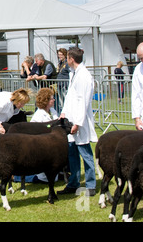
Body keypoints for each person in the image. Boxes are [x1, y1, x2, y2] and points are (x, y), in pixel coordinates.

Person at [57, 47, 97, 197]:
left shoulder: (84, 76)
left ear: (71, 59)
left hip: (79, 121)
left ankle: (91, 185)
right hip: (71, 118)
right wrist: (64, 112)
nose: (66, 61)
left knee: (85, 152)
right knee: (72, 153)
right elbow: (70, 97)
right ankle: (73, 183)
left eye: (67, 58)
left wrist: (77, 123)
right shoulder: (73, 74)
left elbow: (83, 101)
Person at [14, 88, 59, 183]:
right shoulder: (39, 116)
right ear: (46, 100)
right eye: (52, 98)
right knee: (45, 178)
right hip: (38, 145)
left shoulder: (53, 111)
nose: (54, 100)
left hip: (51, 144)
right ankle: (18, 177)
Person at [55, 48, 70, 113]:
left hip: (65, 85)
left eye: (61, 55)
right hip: (59, 85)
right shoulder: (60, 63)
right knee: (61, 103)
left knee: (66, 102)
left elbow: (70, 73)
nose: (60, 56)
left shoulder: (67, 63)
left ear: (65, 55)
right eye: (59, 54)